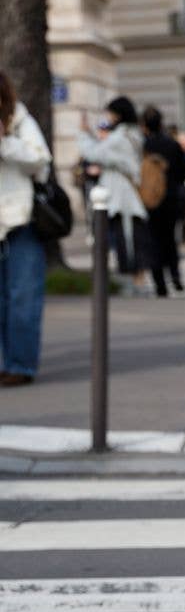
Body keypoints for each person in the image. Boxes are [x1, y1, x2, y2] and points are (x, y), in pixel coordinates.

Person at [0, 71, 52, 386]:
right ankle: (7, 362)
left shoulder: (20, 121)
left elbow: (40, 159)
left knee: (22, 297)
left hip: (22, 220)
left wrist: (5, 143)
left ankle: (20, 365)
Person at [78, 96, 151, 294]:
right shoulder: (131, 134)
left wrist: (83, 134)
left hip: (120, 195)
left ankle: (132, 281)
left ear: (118, 114)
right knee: (132, 236)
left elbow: (94, 153)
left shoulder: (120, 137)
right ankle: (137, 279)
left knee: (125, 237)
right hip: (128, 193)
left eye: (109, 112)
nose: (107, 116)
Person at [141, 106, 185, 295]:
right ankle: (176, 276)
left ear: (144, 125)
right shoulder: (172, 144)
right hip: (170, 198)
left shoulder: (143, 147)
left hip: (149, 200)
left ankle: (159, 282)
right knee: (170, 239)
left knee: (153, 241)